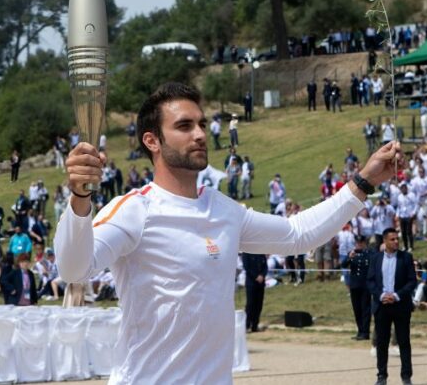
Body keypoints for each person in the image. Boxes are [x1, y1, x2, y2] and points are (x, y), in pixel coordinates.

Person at [56, 82, 400, 384]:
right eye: (184, 126)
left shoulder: (224, 210)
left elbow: (298, 234)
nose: (201, 134)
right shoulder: (134, 209)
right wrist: (80, 197)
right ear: (153, 141)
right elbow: (74, 269)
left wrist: (363, 181)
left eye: (202, 124)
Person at [367, 228, 416, 385]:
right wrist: (381, 295)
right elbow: (370, 281)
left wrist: (396, 295)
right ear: (385, 241)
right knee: (382, 342)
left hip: (401, 305)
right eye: (392, 239)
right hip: (382, 306)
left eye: (397, 239)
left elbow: (411, 281)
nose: (396, 242)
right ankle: (382, 376)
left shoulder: (406, 258)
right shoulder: (376, 258)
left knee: (403, 342)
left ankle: (406, 376)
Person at [342, 235, 372, 340]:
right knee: (357, 309)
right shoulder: (352, 253)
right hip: (354, 286)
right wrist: (349, 257)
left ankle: (365, 332)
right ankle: (360, 331)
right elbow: (343, 264)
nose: (358, 244)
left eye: (361, 243)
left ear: (364, 243)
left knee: (365, 309)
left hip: (365, 286)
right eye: (357, 243)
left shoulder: (369, 254)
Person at [241, 252, 267, 332]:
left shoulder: (261, 253)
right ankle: (246, 325)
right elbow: (247, 267)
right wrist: (256, 276)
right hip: (251, 282)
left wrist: (262, 275)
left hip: (261, 283)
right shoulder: (246, 253)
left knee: (259, 304)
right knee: (250, 304)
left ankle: (255, 325)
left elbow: (265, 267)